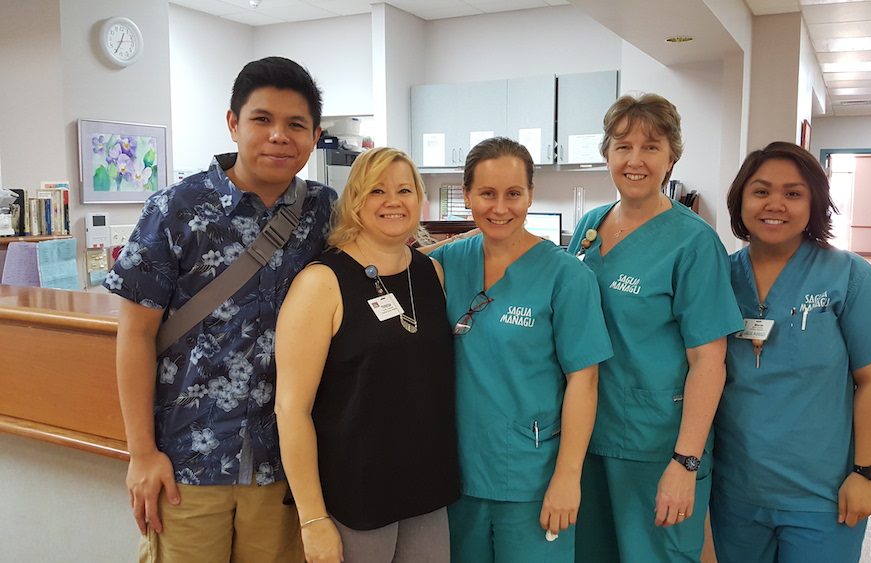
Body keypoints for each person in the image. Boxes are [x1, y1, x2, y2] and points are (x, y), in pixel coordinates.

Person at [106, 56, 337, 562]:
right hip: (188, 462)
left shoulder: (326, 212)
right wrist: (141, 453)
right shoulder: (174, 210)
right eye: (262, 120)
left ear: (315, 135)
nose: (279, 135)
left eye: (295, 124)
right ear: (233, 123)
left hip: (284, 467)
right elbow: (136, 334)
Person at [711, 141, 871, 563]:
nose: (776, 204)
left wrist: (867, 473)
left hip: (823, 497)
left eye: (793, 193)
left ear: (814, 204)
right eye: (761, 190)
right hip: (734, 492)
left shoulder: (848, 276)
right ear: (740, 201)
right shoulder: (717, 278)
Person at [568, 93, 744, 562]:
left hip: (657, 443)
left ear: (672, 157)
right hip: (586, 433)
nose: (635, 160)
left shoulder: (693, 243)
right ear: (606, 154)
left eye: (651, 146)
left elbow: (710, 359)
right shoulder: (588, 226)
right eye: (623, 146)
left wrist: (685, 462)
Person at [430, 137, 613, 563]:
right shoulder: (444, 263)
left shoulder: (566, 277)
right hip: (454, 475)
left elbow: (584, 381)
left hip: (532, 477)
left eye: (513, 194)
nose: (500, 208)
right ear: (468, 194)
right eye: (487, 194)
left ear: (530, 194)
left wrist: (568, 477)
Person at [274, 147, 460, 562]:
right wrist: (312, 518)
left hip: (426, 488)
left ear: (419, 199)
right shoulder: (321, 283)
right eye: (377, 190)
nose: (393, 201)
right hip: (352, 497)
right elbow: (291, 410)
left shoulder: (431, 273)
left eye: (404, 190)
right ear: (355, 201)